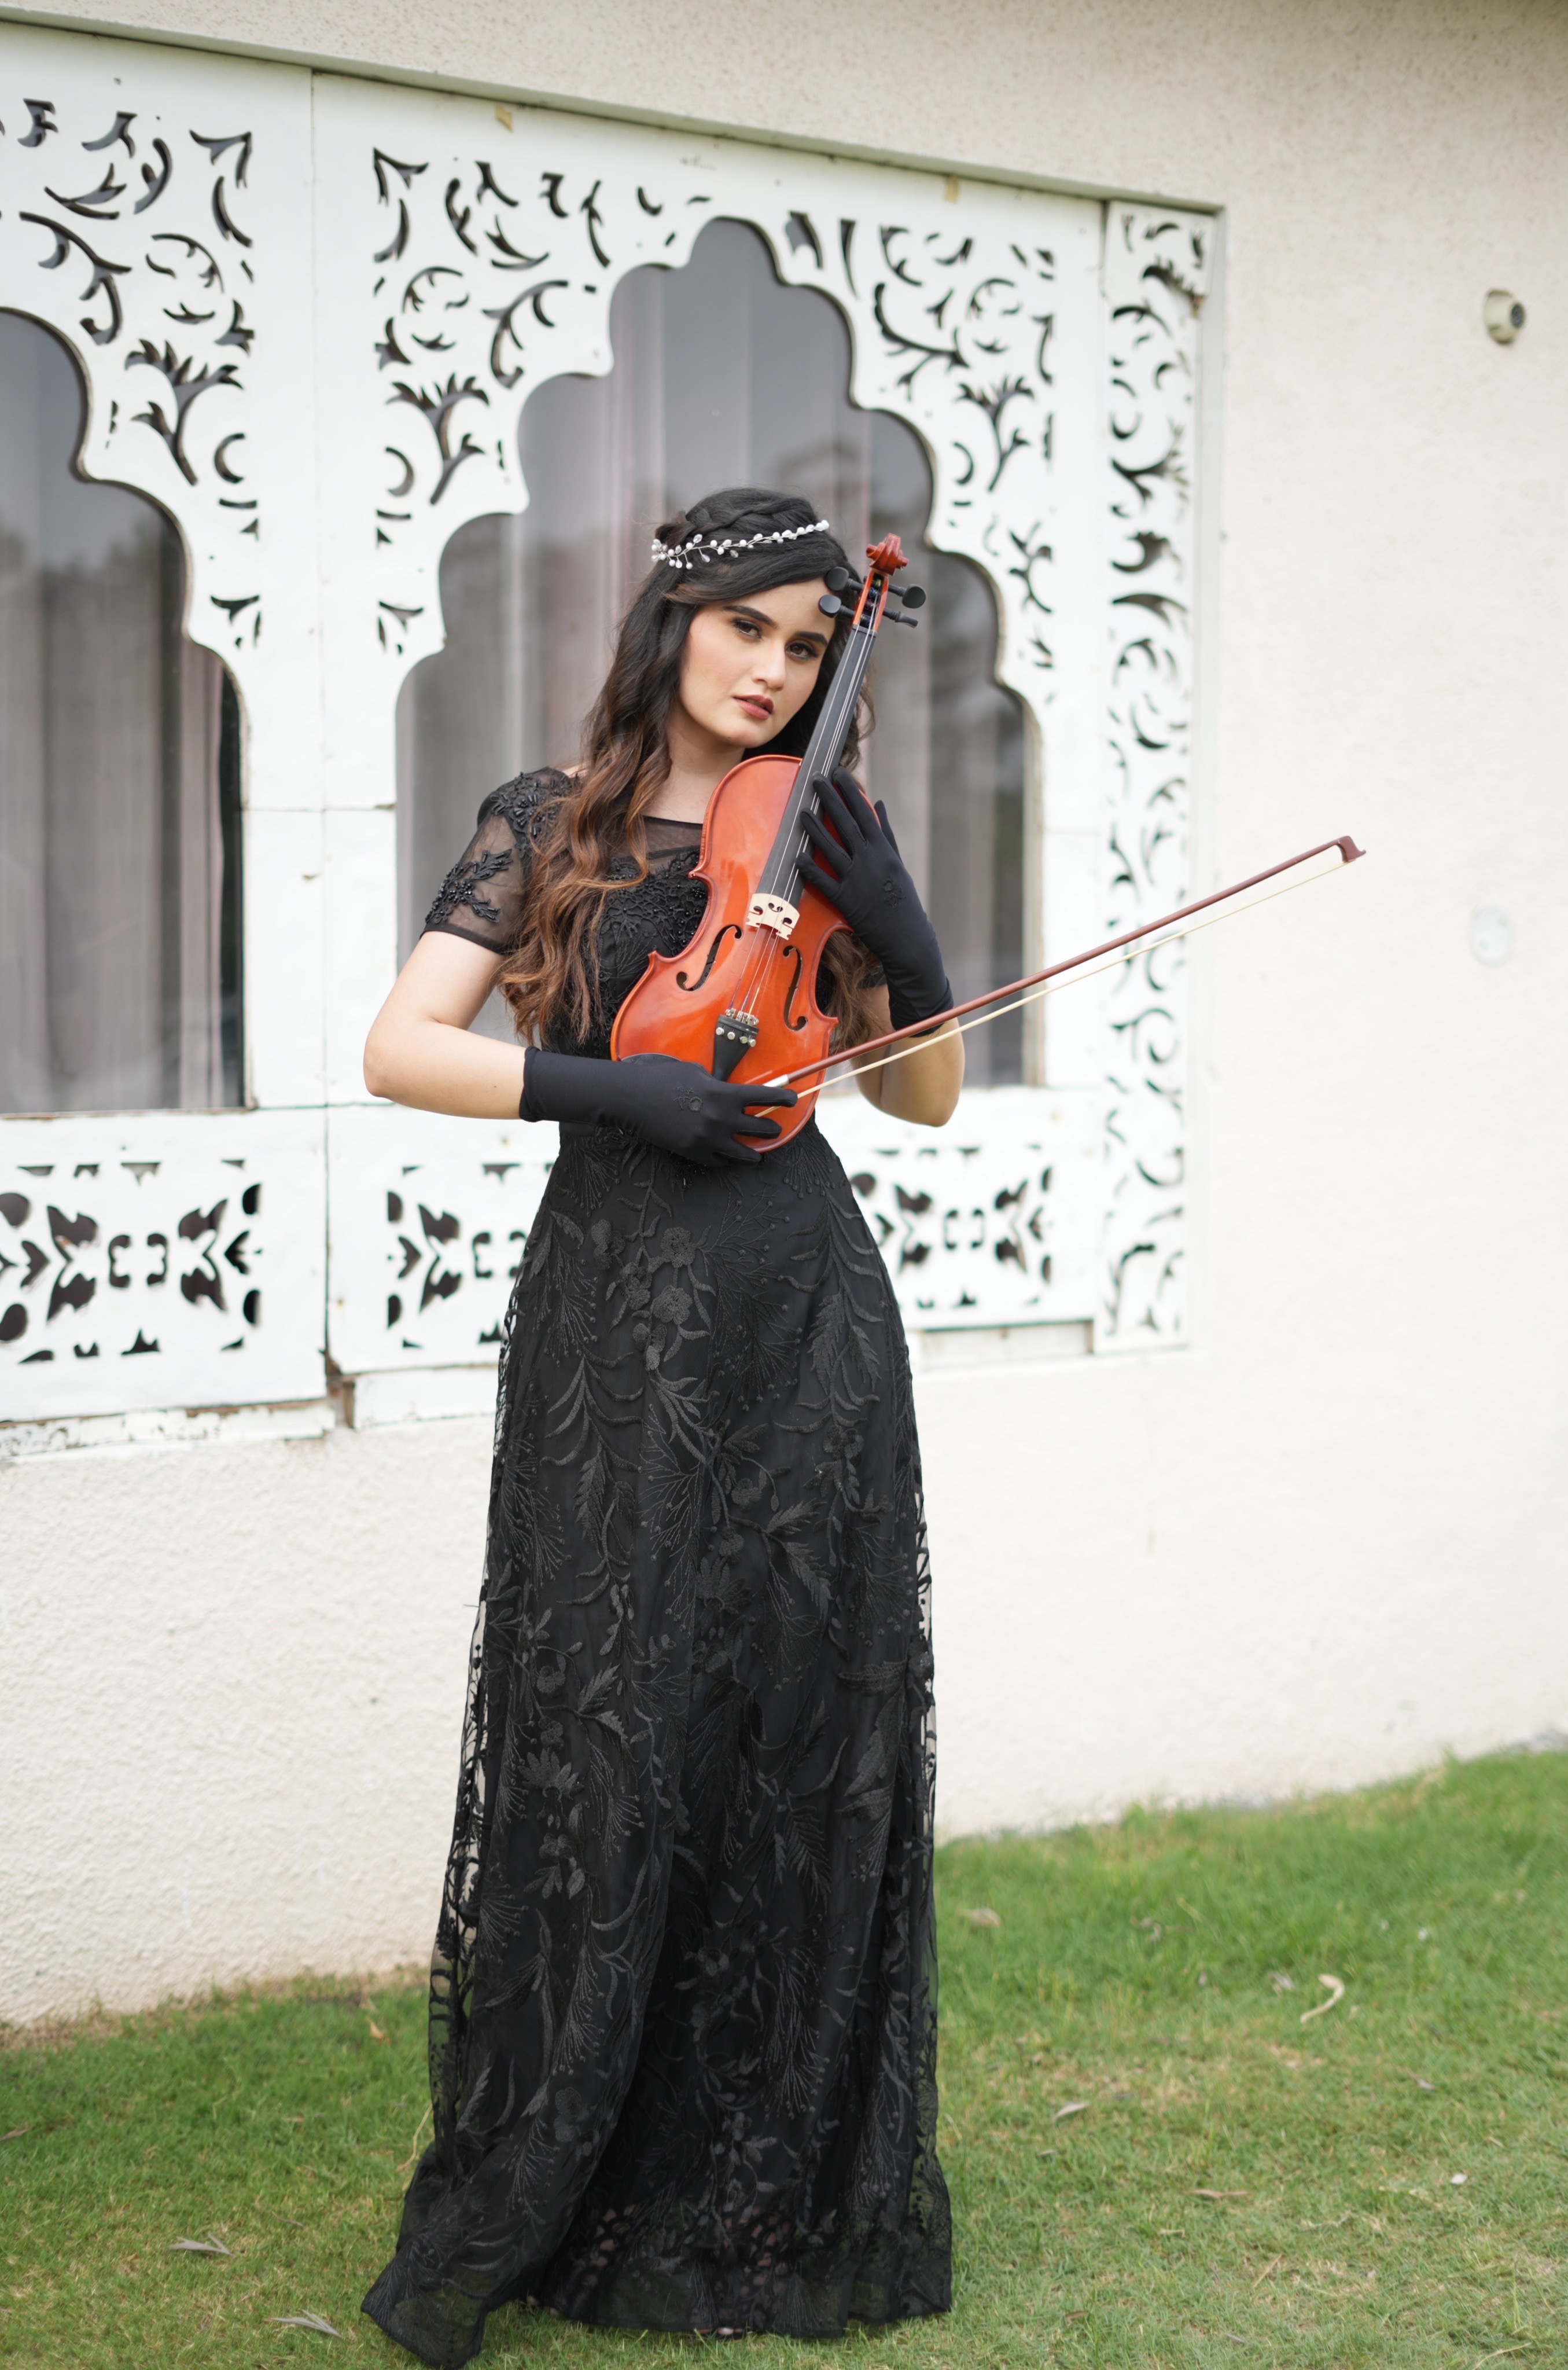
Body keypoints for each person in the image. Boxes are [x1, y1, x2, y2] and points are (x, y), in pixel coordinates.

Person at [361, 488, 962, 2365]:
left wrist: (907, 939)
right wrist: (605, 1091)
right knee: (612, 1716)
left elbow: (923, 1097)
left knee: (796, 1719)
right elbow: (402, 1044)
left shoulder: (830, 831)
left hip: (803, 1310)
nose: (774, 670)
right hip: (619, 1312)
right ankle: (578, 2163)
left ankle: (767, 2181)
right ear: (675, 624)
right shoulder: (553, 823)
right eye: (748, 629)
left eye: (807, 647)